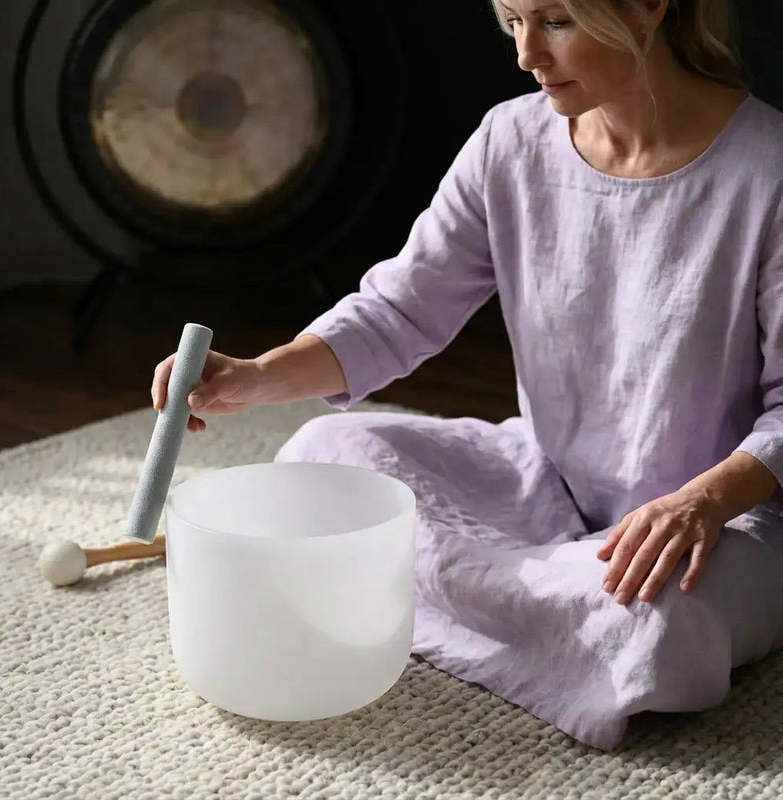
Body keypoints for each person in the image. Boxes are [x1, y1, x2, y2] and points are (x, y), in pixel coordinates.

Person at [151, 0, 783, 750]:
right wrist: (254, 376)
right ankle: (540, 616)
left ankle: (469, 601)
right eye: (513, 22)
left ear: (648, 7)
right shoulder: (509, 141)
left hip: (724, 522)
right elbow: (401, 310)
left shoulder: (768, 167)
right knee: (323, 454)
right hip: (547, 483)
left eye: (555, 22)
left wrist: (701, 501)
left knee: (659, 629)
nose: (526, 55)